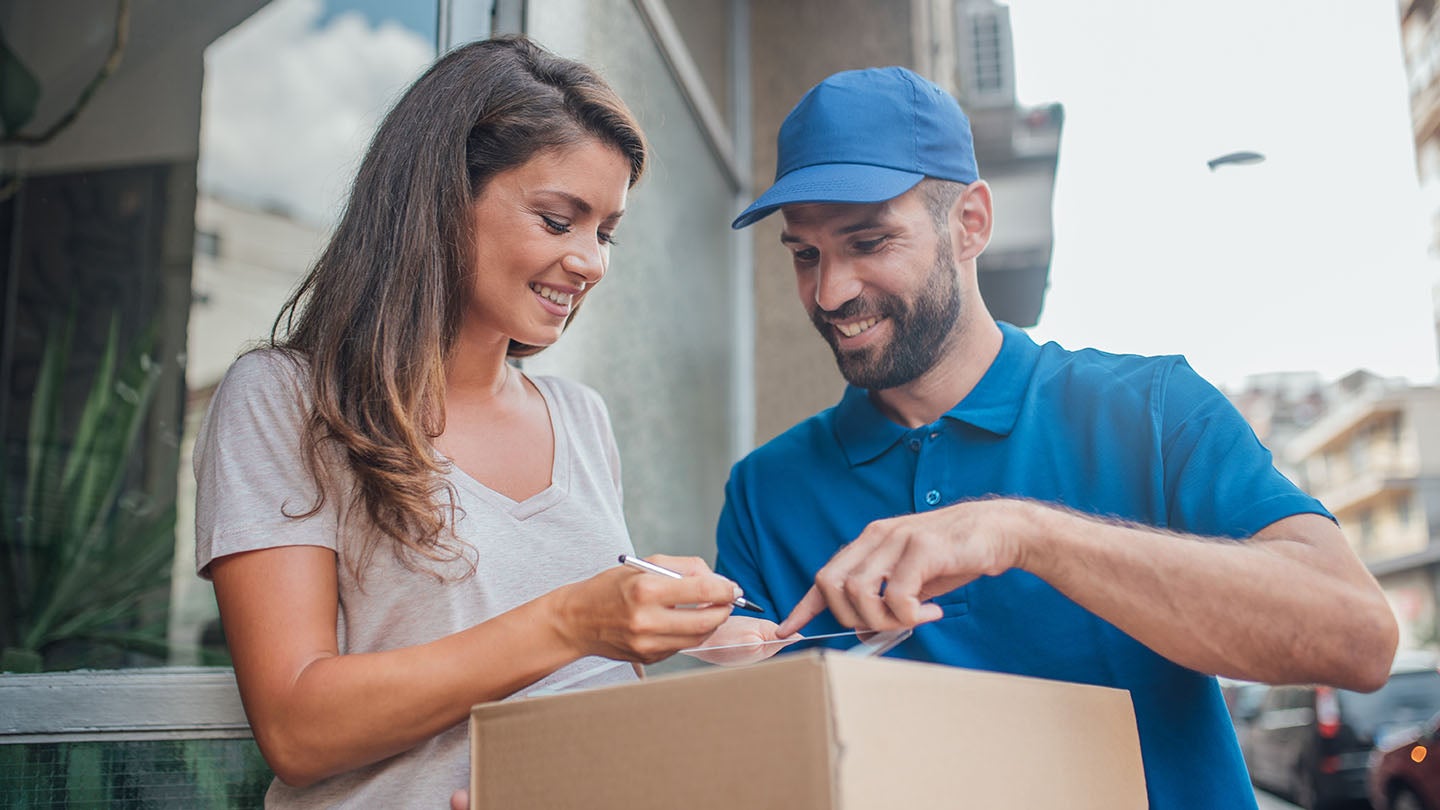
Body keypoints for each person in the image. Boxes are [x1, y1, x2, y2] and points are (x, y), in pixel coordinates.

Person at [713, 66, 1399, 810]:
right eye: (804, 253)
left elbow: (1358, 640)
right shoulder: (765, 491)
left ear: (970, 223)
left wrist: (1024, 533)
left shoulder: (1153, 410)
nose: (830, 291)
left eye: (869, 241)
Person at [193, 36, 741, 809]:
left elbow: (596, 686)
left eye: (606, 232)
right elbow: (296, 725)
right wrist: (576, 618)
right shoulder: (285, 399)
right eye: (558, 221)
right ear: (442, 199)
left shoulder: (580, 419)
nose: (591, 261)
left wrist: (663, 632)